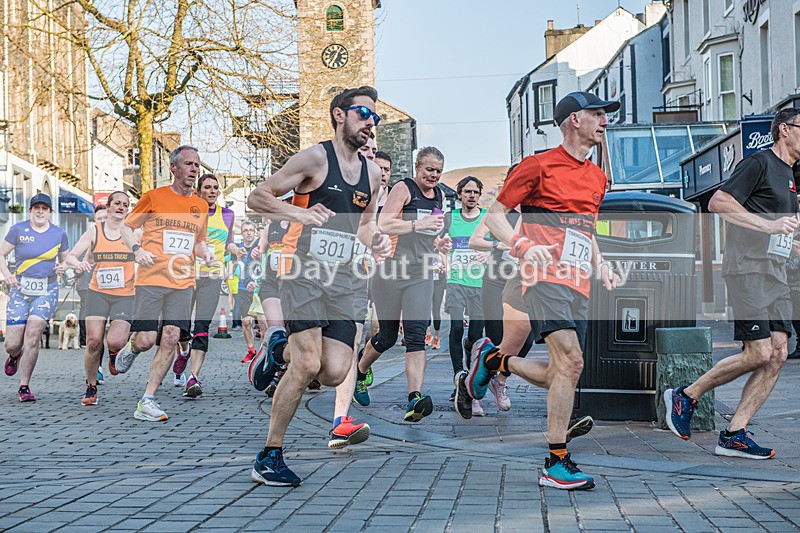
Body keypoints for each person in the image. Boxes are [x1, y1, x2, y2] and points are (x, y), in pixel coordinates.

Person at [458, 92, 621, 491]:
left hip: (577, 281)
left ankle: (495, 362)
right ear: (572, 120)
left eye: (605, 115)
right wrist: (523, 245)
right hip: (541, 276)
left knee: (568, 370)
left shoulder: (598, 177)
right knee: (571, 358)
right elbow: (495, 215)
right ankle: (556, 460)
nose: (604, 121)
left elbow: (586, 230)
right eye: (596, 114)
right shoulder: (538, 167)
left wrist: (601, 265)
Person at [246, 86, 390, 486]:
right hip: (304, 273)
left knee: (335, 370)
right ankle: (270, 454)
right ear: (339, 115)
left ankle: (278, 348)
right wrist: (297, 211)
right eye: (363, 113)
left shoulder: (373, 173)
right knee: (308, 363)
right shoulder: (314, 158)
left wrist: (375, 238)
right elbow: (258, 197)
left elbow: (364, 226)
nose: (370, 122)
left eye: (375, 117)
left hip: (344, 280)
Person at [666, 108, 800, 459]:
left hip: (776, 273)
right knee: (757, 352)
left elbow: (779, 230)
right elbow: (718, 202)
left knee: (779, 354)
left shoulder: (790, 175)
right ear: (784, 129)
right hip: (748, 270)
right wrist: (768, 226)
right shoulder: (758, 163)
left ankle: (734, 433)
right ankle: (686, 395)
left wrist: (789, 240)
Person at [114, 145, 210, 422]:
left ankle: (148, 399)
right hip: (151, 278)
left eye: (197, 164)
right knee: (146, 340)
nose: (194, 169)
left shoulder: (201, 206)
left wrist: (206, 252)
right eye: (189, 164)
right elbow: (126, 227)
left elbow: (199, 241)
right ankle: (132, 348)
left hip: (182, 281)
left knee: (170, 337)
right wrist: (137, 250)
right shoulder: (153, 197)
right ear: (174, 168)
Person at [354, 146, 446, 422]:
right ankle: (359, 371)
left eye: (439, 171)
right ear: (417, 167)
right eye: (429, 170)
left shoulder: (439, 194)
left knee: (417, 334)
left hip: (420, 273)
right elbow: (384, 224)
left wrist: (439, 242)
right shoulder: (404, 189)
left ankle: (414, 398)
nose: (434, 176)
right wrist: (419, 226)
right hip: (391, 272)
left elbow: (431, 230)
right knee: (387, 337)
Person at [65, 191, 135, 405]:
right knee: (94, 341)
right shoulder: (95, 232)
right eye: (117, 203)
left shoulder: (134, 233)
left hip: (125, 295)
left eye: (125, 204)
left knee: (115, 340)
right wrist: (78, 264)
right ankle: (91, 386)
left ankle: (114, 353)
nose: (121, 207)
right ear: (109, 207)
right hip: (98, 293)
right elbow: (70, 256)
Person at [170, 173, 238, 397]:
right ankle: (184, 349)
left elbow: (228, 242)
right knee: (181, 327)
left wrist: (235, 250)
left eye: (215, 187)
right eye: (207, 187)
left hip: (212, 276)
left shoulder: (227, 215)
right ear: (198, 191)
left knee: (202, 327)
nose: (212, 191)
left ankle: (193, 377)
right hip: (187, 275)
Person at [0, 194, 69, 402]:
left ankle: (24, 386)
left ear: (50, 212)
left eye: (44, 208)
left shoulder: (59, 234)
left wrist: (63, 266)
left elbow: (66, 260)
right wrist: (8, 276)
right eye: (36, 207)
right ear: (30, 210)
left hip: (46, 290)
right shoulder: (18, 230)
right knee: (12, 343)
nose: (40, 211)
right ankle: (14, 355)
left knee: (33, 334)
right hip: (20, 290)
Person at [436, 176, 488, 414]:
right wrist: (440, 246)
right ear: (459, 195)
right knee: (456, 329)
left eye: (475, 192)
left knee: (475, 337)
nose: (471, 195)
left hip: (479, 285)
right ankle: (459, 379)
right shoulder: (450, 218)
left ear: (479, 195)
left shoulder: (487, 217)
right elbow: (435, 240)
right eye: (467, 192)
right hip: (456, 281)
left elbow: (500, 243)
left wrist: (489, 254)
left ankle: (469, 381)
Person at [237, 220, 262, 363]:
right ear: (242, 233)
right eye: (245, 230)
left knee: (262, 324)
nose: (248, 232)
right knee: (246, 322)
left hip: (260, 288)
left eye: (251, 230)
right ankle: (251, 350)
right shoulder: (238, 249)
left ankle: (264, 350)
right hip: (242, 288)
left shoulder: (260, 246)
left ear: (255, 232)